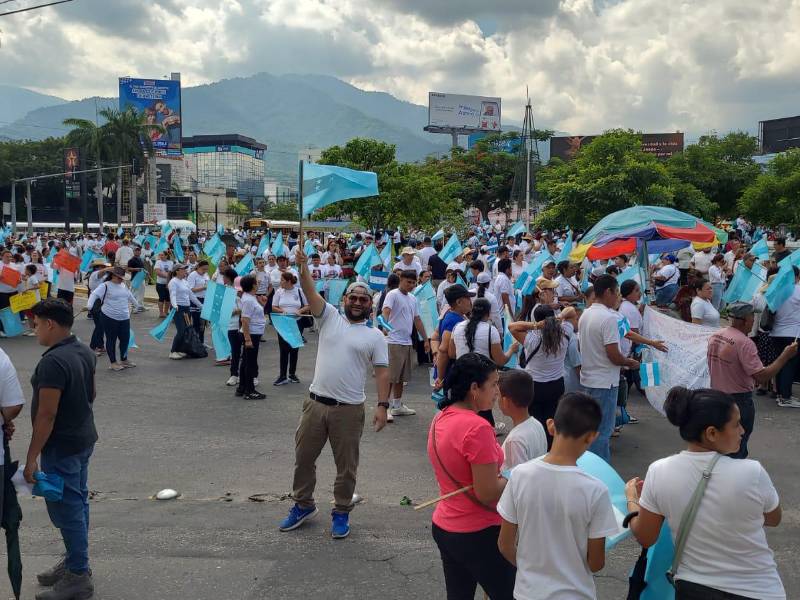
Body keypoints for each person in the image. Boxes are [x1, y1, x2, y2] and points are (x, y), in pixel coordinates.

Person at [625, 387, 786, 600]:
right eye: (736, 424)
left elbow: (646, 536)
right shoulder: (752, 472)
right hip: (759, 591)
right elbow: (774, 518)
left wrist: (632, 499)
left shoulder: (659, 472)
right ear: (711, 433)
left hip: (695, 590)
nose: (742, 431)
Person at [279, 248, 389, 540]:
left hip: (349, 410)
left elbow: (382, 372)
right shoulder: (329, 317)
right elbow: (309, 290)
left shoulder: (375, 336)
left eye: (363, 299)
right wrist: (302, 268)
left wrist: (383, 405)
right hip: (315, 405)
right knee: (303, 458)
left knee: (346, 467)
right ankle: (303, 505)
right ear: (344, 300)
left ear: (370, 306)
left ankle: (341, 511)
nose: (356, 302)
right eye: (352, 297)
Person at [498, 392, 618, 600]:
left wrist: (530, 569)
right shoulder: (597, 490)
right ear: (592, 436)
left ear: (551, 425)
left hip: (528, 593)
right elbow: (596, 563)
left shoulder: (519, 476)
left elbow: (505, 544)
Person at [427, 353, 516, 600]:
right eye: (494, 384)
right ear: (474, 388)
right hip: (478, 532)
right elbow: (486, 492)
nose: (498, 391)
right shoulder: (477, 428)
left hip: (446, 525)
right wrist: (517, 475)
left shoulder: (441, 417)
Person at [25, 299, 97, 599]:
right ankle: (74, 561)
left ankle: (78, 574)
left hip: (62, 446)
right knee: (77, 503)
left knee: (67, 509)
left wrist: (31, 460)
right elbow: (92, 393)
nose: (35, 329)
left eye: (37, 324)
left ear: (50, 324)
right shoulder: (82, 348)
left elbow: (47, 414)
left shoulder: (52, 362)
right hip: (82, 439)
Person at [707, 302, 798, 459]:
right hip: (738, 401)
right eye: (752, 317)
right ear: (743, 320)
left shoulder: (716, 335)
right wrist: (785, 356)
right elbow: (762, 376)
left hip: (716, 397)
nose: (753, 320)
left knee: (721, 446)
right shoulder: (744, 343)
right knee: (737, 447)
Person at [578, 275, 639, 463]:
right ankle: (600, 472)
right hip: (604, 382)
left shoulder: (586, 313)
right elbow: (613, 354)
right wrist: (629, 362)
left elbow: (583, 347)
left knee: (591, 429)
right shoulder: (608, 318)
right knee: (602, 431)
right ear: (607, 292)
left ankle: (589, 466)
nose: (618, 298)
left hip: (589, 378)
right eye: (617, 293)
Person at [509, 305, 573, 449]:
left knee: (535, 421)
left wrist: (536, 326)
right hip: (557, 384)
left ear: (537, 320)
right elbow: (571, 311)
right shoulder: (565, 334)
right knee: (552, 419)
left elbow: (512, 327)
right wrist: (558, 318)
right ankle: (551, 448)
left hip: (535, 386)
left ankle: (536, 449)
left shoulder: (532, 339)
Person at [381, 270, 429, 418]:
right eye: (408, 282)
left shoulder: (413, 298)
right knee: (391, 377)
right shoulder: (392, 294)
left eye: (414, 283)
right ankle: (385, 407)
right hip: (393, 341)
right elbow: (386, 311)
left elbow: (417, 319)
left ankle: (397, 405)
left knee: (402, 377)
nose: (411, 285)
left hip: (407, 341)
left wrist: (426, 339)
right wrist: (385, 327)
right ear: (401, 279)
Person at [86, 266, 137, 371]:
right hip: (109, 316)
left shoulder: (123, 285)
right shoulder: (105, 285)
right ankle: (113, 363)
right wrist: (89, 306)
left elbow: (129, 295)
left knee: (125, 339)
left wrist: (136, 304)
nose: (121, 279)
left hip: (124, 317)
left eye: (122, 277)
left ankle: (124, 359)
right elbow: (94, 295)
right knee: (111, 339)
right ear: (113, 276)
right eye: (119, 277)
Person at [497, 370, 546, 470]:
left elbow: (518, 476)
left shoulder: (515, 440)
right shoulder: (537, 424)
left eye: (498, 396)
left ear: (505, 401)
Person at [272, 271, 312, 386]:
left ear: (289, 281)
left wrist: (299, 311)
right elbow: (273, 306)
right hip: (283, 324)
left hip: (297, 324)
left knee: (294, 348)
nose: (280, 282)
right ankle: (282, 375)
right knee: (283, 349)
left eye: (282, 280)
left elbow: (307, 305)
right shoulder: (279, 292)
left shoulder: (299, 291)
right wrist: (282, 311)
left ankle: (292, 374)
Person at [769, 266, 800, 406]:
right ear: (796, 277)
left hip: (776, 332)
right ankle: (785, 397)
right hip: (793, 333)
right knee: (789, 365)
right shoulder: (797, 290)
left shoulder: (777, 291)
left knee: (780, 363)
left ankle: (780, 394)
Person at [236, 275, 267, 400]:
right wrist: (248, 339)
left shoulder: (251, 297)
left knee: (246, 362)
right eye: (256, 282)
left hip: (254, 333)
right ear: (253, 285)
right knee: (250, 363)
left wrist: (262, 304)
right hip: (251, 334)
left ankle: (242, 387)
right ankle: (249, 390)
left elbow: (256, 315)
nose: (258, 283)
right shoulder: (249, 299)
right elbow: (244, 320)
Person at [167, 264, 203, 360]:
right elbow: (173, 295)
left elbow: (191, 296)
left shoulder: (184, 281)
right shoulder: (173, 282)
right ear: (177, 271)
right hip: (178, 308)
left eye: (185, 269)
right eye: (183, 269)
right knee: (181, 330)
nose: (185, 271)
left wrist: (201, 306)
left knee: (187, 330)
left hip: (186, 308)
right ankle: (173, 351)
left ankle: (180, 350)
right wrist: (174, 305)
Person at [187, 260, 210, 343]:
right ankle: (195, 343)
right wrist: (204, 287)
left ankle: (201, 342)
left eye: (206, 269)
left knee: (203, 324)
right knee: (196, 322)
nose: (205, 271)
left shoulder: (206, 275)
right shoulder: (192, 275)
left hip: (204, 300)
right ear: (198, 267)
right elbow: (191, 290)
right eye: (203, 269)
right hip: (195, 300)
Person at [154, 251, 174, 318]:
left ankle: (165, 312)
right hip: (160, 283)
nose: (161, 256)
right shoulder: (158, 262)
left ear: (166, 255)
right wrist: (167, 276)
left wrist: (168, 277)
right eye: (160, 255)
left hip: (169, 284)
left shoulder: (171, 262)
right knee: (161, 298)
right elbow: (158, 272)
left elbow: (172, 272)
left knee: (168, 299)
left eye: (162, 255)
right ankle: (161, 313)